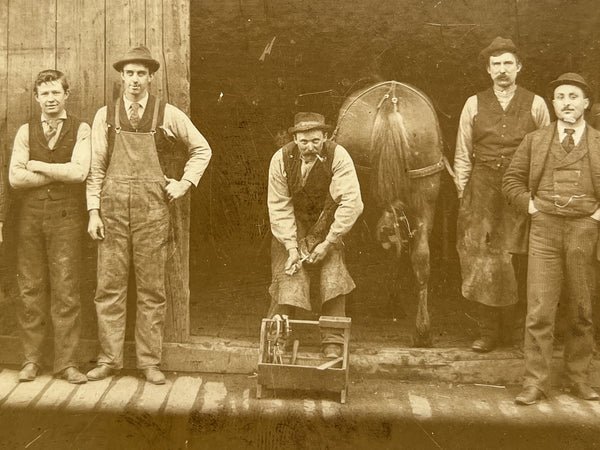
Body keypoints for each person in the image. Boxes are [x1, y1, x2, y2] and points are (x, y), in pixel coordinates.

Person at [86, 46, 212, 384]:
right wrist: (93, 211)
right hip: (111, 211)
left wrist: (185, 183)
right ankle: (109, 360)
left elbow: (202, 148)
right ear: (122, 76)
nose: (135, 80)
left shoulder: (167, 114)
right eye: (129, 73)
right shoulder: (105, 115)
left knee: (152, 289)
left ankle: (149, 362)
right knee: (108, 287)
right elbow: (96, 167)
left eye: (141, 73)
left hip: (152, 212)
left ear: (151, 77)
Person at [504, 73, 600, 405]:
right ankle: (535, 383)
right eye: (560, 97)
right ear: (553, 103)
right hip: (544, 231)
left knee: (581, 309)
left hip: (584, 232)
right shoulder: (536, 140)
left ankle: (579, 379)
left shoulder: (599, 142)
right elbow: (512, 180)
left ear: (586, 103)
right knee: (540, 309)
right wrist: (530, 207)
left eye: (573, 96)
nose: (566, 103)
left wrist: (597, 216)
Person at [454, 37, 550, 353]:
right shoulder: (473, 103)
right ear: (488, 69)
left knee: (518, 258)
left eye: (508, 63)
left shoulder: (536, 104)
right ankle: (488, 332)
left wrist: (537, 195)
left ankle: (518, 331)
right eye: (496, 64)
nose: (502, 70)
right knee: (482, 260)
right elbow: (462, 152)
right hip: (481, 190)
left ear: (519, 67)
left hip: (520, 190)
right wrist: (464, 195)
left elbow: (546, 152)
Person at [9, 69, 90, 384]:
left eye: (56, 92)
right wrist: (61, 170)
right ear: (36, 97)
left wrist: (39, 165)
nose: (51, 99)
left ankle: (66, 363)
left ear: (66, 94)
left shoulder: (80, 128)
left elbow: (79, 173)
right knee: (31, 287)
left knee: (66, 289)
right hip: (30, 219)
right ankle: (31, 360)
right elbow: (16, 178)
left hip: (67, 218)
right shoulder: (25, 131)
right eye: (45, 94)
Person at [267, 112, 363, 358]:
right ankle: (279, 336)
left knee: (333, 269)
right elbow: (279, 206)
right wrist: (291, 247)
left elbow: (351, 202)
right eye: (304, 141)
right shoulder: (280, 159)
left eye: (316, 141)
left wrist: (329, 242)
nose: (309, 147)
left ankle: (333, 340)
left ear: (325, 137)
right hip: (294, 223)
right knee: (288, 270)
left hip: (328, 221)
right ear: (295, 139)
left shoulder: (339, 156)